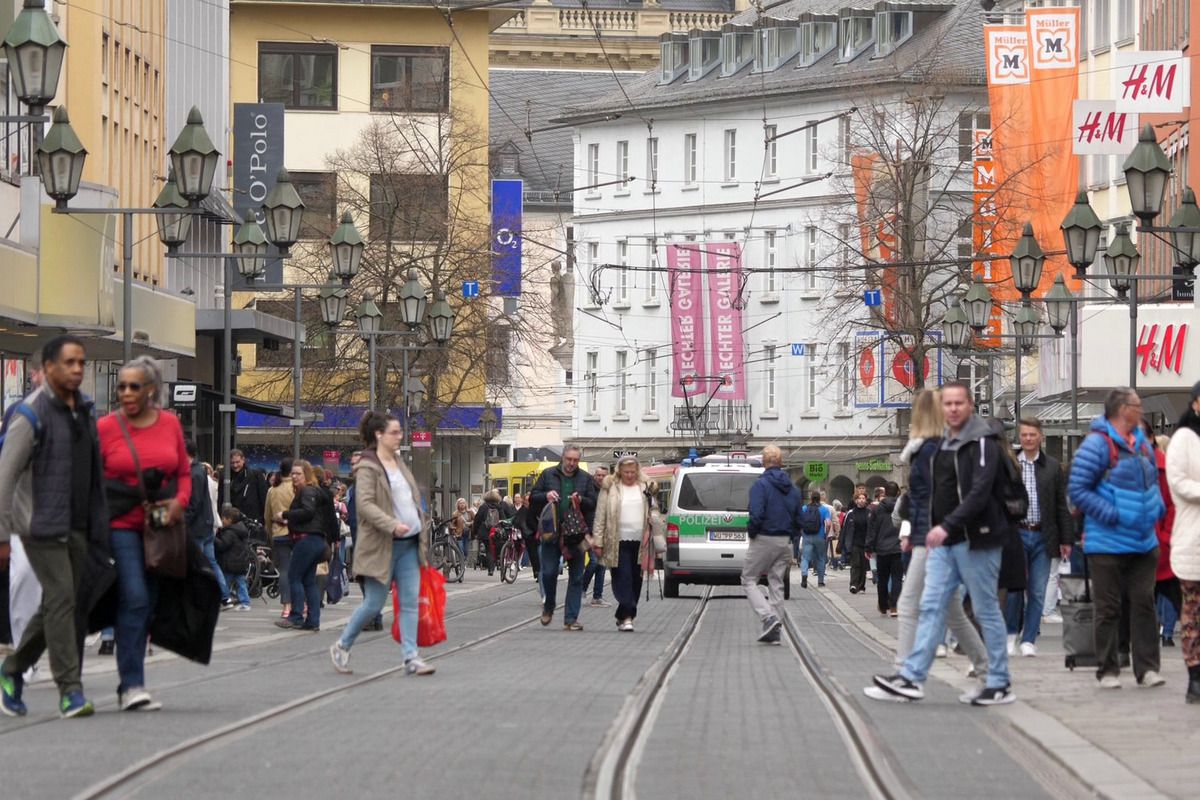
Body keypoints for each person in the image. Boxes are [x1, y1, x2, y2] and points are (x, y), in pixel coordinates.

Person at [870, 381, 1016, 706]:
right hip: (942, 541)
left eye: (958, 404)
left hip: (976, 539)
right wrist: (920, 528)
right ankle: (911, 677)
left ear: (970, 405)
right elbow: (929, 495)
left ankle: (999, 681)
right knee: (931, 606)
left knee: (985, 609)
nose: (952, 409)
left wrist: (944, 526)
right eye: (947, 404)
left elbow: (979, 492)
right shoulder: (942, 444)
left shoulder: (982, 442)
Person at [0, 337, 108, 719]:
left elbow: (92, 473)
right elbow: (5, 476)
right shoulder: (29, 414)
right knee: (62, 598)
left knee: (60, 604)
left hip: (78, 525)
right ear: (47, 369)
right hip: (39, 527)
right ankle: (70, 691)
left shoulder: (83, 412)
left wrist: (100, 524)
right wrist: (2, 535)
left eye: (81, 362)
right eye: (69, 362)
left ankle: (12, 670)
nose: (78, 368)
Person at [98, 355, 191, 712]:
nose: (125, 392)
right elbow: (91, 479)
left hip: (160, 528)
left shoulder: (169, 425)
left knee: (149, 602)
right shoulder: (106, 428)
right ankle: (131, 684)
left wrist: (179, 502)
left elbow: (183, 473)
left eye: (133, 386)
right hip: (120, 525)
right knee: (134, 598)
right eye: (121, 386)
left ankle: (131, 679)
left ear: (151, 390)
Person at [1069, 387, 1166, 689]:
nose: (1140, 409)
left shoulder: (1141, 443)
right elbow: (1077, 490)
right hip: (1107, 541)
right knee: (1109, 607)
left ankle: (1148, 668)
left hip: (1143, 539)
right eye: (1137, 405)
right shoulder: (1096, 444)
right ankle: (1108, 668)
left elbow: (1152, 480)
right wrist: (1110, 514)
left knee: (1144, 604)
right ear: (1123, 409)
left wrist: (1157, 509)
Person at [330, 412, 434, 676]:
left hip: (409, 543)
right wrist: (391, 524)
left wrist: (419, 521)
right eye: (394, 432)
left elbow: (408, 498)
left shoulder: (398, 462)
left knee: (409, 601)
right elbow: (364, 505)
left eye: (400, 432)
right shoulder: (368, 467)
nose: (400, 436)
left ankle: (411, 657)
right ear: (379, 435)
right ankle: (342, 646)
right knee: (374, 604)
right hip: (382, 545)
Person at [1001, 419, 1072, 658]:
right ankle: (1011, 633)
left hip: (1044, 535)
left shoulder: (1052, 467)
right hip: (1017, 533)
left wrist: (1066, 539)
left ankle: (1029, 638)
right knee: (1014, 589)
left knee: (1038, 591)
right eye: (1024, 435)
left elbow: (1061, 504)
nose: (1028, 439)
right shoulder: (1011, 464)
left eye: (1032, 435)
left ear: (1040, 437)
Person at [530, 445, 598, 630]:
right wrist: (546, 495)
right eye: (569, 459)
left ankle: (571, 619)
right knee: (550, 572)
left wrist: (581, 500)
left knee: (576, 576)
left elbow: (593, 503)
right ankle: (549, 606)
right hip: (551, 532)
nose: (572, 463)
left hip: (578, 535)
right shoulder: (548, 474)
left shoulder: (585, 478)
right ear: (563, 458)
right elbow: (533, 497)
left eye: (575, 460)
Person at [592, 456, 659, 631]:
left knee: (636, 580)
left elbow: (654, 509)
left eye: (632, 471)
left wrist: (653, 520)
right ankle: (628, 616)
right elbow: (600, 515)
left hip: (640, 542)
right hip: (617, 540)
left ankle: (623, 615)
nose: (629, 475)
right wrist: (598, 541)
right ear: (619, 471)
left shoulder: (645, 487)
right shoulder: (610, 487)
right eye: (626, 472)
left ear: (638, 471)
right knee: (623, 577)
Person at [743, 445, 801, 644]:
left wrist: (752, 532)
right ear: (781, 462)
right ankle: (775, 630)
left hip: (764, 537)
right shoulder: (793, 488)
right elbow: (798, 517)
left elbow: (756, 513)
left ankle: (768, 617)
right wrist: (792, 537)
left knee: (749, 579)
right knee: (776, 582)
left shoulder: (760, 485)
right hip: (785, 541)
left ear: (763, 463)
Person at [1165, 381, 1200, 703]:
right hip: (1192, 539)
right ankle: (1194, 674)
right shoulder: (1183, 439)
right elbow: (1179, 484)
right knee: (1192, 609)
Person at [273, 460, 330, 632]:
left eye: (298, 473)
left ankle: (296, 616)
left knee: (294, 576)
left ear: (306, 475)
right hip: (315, 540)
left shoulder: (307, 491)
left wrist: (285, 514)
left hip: (307, 540)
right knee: (308, 581)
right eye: (293, 473)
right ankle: (313, 620)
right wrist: (288, 520)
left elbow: (308, 511)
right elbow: (310, 515)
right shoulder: (313, 491)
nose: (294, 476)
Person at [185, 441, 229, 609]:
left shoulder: (194, 473)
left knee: (197, 566)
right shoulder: (201, 472)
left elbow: (194, 503)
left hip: (197, 527)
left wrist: (183, 521)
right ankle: (223, 595)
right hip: (207, 524)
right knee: (210, 563)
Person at [1152, 433, 1181, 648]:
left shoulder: (1165, 473)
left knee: (1155, 589)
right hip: (1163, 538)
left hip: (1161, 539)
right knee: (1166, 588)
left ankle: (1161, 628)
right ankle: (1167, 631)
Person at [264, 457, 294, 619]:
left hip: (279, 534)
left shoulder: (272, 490)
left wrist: (271, 533)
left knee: (284, 570)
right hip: (297, 533)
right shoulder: (297, 488)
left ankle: (286, 606)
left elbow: (267, 516)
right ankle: (301, 604)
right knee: (299, 570)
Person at [866, 482, 903, 616]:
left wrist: (869, 547)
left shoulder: (876, 509)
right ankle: (895, 606)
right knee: (897, 578)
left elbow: (872, 529)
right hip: (898, 547)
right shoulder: (902, 507)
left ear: (885, 492)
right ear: (897, 492)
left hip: (881, 549)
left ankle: (883, 605)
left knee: (882, 579)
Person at [583, 465, 611, 607]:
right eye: (598, 475)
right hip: (589, 532)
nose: (600, 477)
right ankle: (581, 589)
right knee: (594, 561)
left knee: (601, 564)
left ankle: (597, 596)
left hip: (604, 533)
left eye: (603, 475)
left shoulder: (610, 491)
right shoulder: (589, 490)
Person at [215, 506, 252, 610]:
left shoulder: (229, 532)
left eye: (223, 519)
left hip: (229, 564)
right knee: (241, 583)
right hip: (240, 563)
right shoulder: (242, 530)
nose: (222, 521)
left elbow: (223, 545)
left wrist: (214, 539)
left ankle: (225, 599)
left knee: (224, 582)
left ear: (229, 520)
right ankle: (245, 602)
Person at [472, 490, 516, 576]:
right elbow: (503, 518)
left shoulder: (483, 507)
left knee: (488, 549)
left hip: (485, 532)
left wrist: (475, 532)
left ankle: (491, 569)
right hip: (497, 531)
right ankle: (499, 562)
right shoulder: (499, 507)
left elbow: (477, 520)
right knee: (496, 548)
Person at [840, 489, 872, 593]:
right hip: (854, 542)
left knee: (864, 565)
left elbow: (872, 528)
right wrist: (842, 544)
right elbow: (845, 529)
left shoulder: (869, 513)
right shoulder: (851, 513)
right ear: (856, 500)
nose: (862, 500)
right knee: (855, 564)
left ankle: (861, 586)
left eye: (863, 498)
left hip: (866, 543)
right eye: (860, 498)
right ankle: (853, 585)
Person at [228, 448, 269, 524]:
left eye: (237, 462)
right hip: (234, 520)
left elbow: (264, 497)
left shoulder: (256, 476)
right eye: (232, 463)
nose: (235, 465)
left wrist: (263, 519)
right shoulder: (226, 477)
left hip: (252, 519)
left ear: (243, 460)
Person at [797, 490, 828, 589]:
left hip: (807, 536)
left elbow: (799, 522)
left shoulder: (804, 508)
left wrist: (802, 533)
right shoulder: (824, 509)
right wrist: (825, 534)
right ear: (820, 499)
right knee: (820, 558)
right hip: (820, 537)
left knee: (805, 558)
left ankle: (804, 576)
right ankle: (820, 581)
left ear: (811, 498)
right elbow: (828, 523)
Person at [512, 491, 541, 593]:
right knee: (533, 555)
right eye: (527, 500)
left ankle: (539, 571)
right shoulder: (523, 510)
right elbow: (516, 520)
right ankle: (537, 572)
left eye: (530, 500)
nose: (528, 501)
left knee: (539, 554)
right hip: (529, 535)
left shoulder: (535, 509)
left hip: (537, 534)